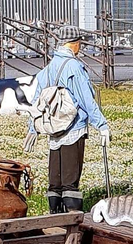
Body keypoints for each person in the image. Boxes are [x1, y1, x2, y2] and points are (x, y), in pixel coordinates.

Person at [23, 25, 110, 214]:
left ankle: (55, 217)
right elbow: (86, 99)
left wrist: (33, 128)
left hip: (53, 129)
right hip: (73, 128)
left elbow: (37, 102)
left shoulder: (47, 68)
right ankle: (71, 224)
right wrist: (101, 125)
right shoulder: (74, 67)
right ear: (74, 44)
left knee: (56, 180)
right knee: (70, 181)